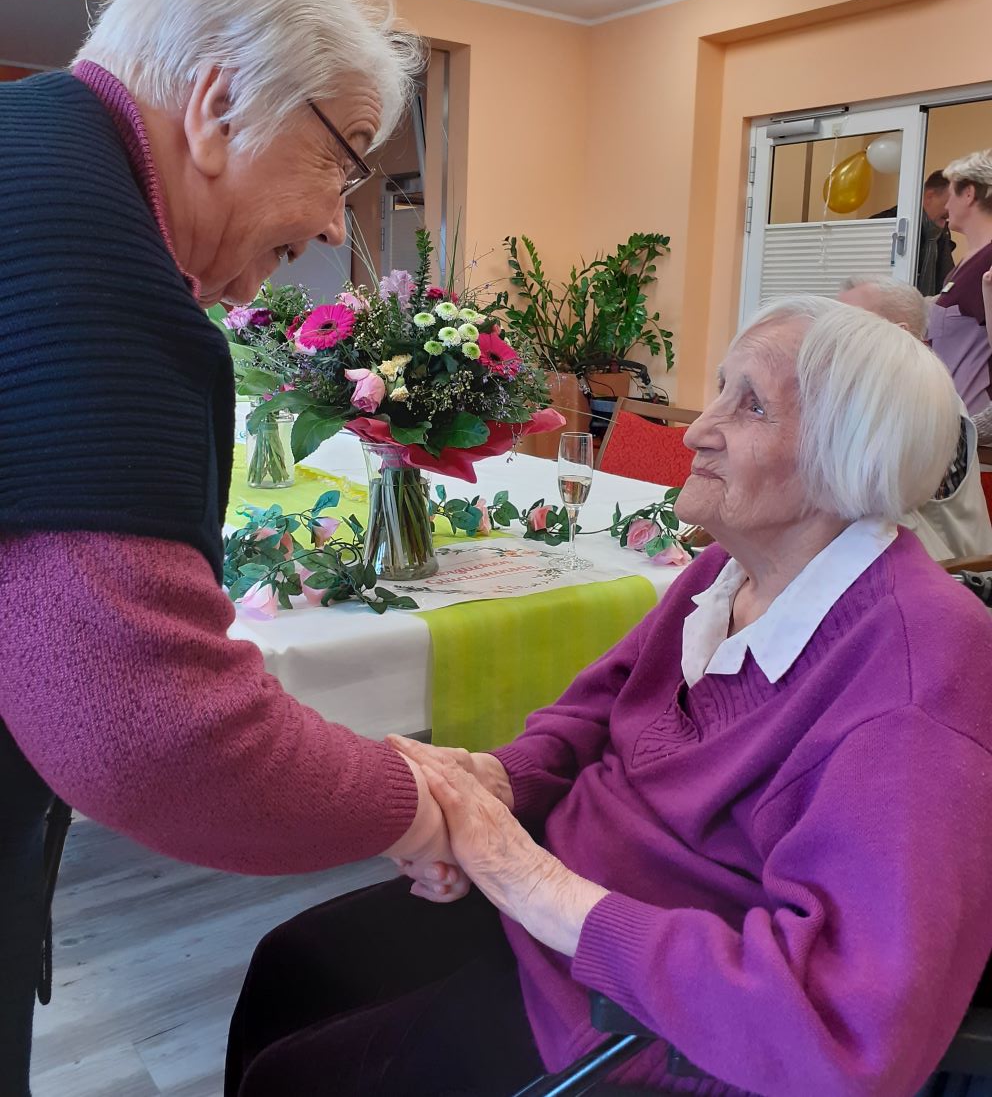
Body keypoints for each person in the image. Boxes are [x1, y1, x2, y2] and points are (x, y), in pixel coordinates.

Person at [226, 297, 992, 1097]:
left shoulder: (916, 682)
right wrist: (495, 787)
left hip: (641, 1023)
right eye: (720, 389)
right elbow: (593, 713)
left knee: (294, 1080)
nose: (696, 431)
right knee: (287, 969)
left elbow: (850, 1033)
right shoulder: (723, 572)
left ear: (849, 455)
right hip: (548, 916)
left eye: (750, 404)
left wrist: (528, 877)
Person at [0, 0, 457, 1095]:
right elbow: (148, 731)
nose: (328, 227)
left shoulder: (25, 148)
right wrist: (420, 798)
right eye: (344, 160)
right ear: (215, 106)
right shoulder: (95, 262)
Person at [838, 275, 992, 562]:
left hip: (948, 576)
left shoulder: (930, 404)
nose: (830, 336)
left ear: (902, 335)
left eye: (850, 324)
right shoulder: (863, 399)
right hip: (891, 569)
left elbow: (858, 499)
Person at [927, 151, 992, 431]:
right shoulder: (967, 261)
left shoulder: (988, 261)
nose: (947, 204)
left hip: (973, 429)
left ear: (968, 194)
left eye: (951, 193)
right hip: (947, 418)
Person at [872, 169, 954, 295]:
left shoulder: (940, 233)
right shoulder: (888, 225)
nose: (952, 209)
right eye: (950, 202)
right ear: (929, 196)